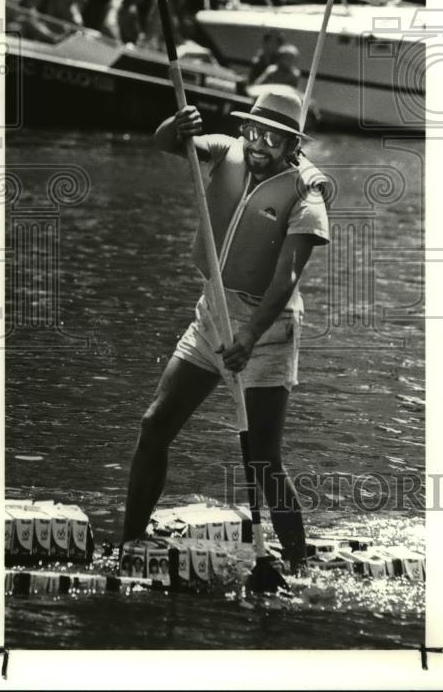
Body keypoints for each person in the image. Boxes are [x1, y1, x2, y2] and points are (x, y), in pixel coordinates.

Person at [121, 88, 330, 571]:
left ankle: (297, 566)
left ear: (291, 145)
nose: (258, 145)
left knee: (262, 461)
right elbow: (168, 144)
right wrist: (179, 125)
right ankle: (130, 543)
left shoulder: (306, 193)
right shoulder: (224, 151)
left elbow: (287, 277)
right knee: (155, 425)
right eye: (252, 132)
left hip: (267, 328)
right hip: (211, 314)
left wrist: (250, 336)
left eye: (272, 139)